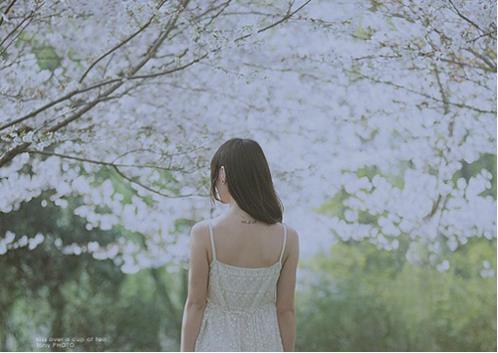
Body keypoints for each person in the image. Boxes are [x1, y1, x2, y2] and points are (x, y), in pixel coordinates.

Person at [180, 138, 300, 352]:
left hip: (216, 344)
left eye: (215, 175)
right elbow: (286, 310)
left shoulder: (204, 234)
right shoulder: (287, 238)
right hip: (266, 344)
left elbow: (195, 304)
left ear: (223, 174)